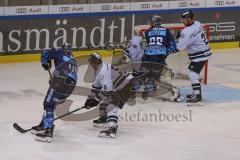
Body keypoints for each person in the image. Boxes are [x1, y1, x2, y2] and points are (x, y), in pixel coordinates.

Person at [32, 43, 78, 143]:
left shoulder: (59, 51)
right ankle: (44, 124)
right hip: (71, 86)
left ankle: (48, 131)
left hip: (60, 80)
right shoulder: (74, 60)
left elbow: (45, 51)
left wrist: (45, 62)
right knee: (52, 102)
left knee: (48, 104)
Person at [84, 52, 136, 138]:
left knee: (111, 105)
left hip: (126, 86)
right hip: (128, 83)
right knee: (105, 101)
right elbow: (96, 87)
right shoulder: (102, 67)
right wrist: (90, 99)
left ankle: (112, 128)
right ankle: (105, 119)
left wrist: (95, 100)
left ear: (92, 62)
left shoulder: (102, 72)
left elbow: (108, 91)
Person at [141, 15, 180, 101]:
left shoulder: (147, 32)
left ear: (154, 22)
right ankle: (174, 91)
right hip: (159, 56)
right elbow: (173, 45)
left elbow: (144, 46)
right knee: (163, 75)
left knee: (149, 73)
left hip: (147, 56)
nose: (149, 23)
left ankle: (148, 91)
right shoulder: (166, 31)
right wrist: (166, 51)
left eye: (150, 21)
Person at [176, 10, 212, 103]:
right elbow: (192, 33)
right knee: (193, 74)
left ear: (190, 19)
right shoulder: (197, 23)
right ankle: (195, 93)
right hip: (205, 52)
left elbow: (180, 47)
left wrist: (176, 42)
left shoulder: (186, 31)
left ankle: (197, 96)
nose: (182, 21)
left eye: (184, 19)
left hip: (199, 55)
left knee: (192, 74)